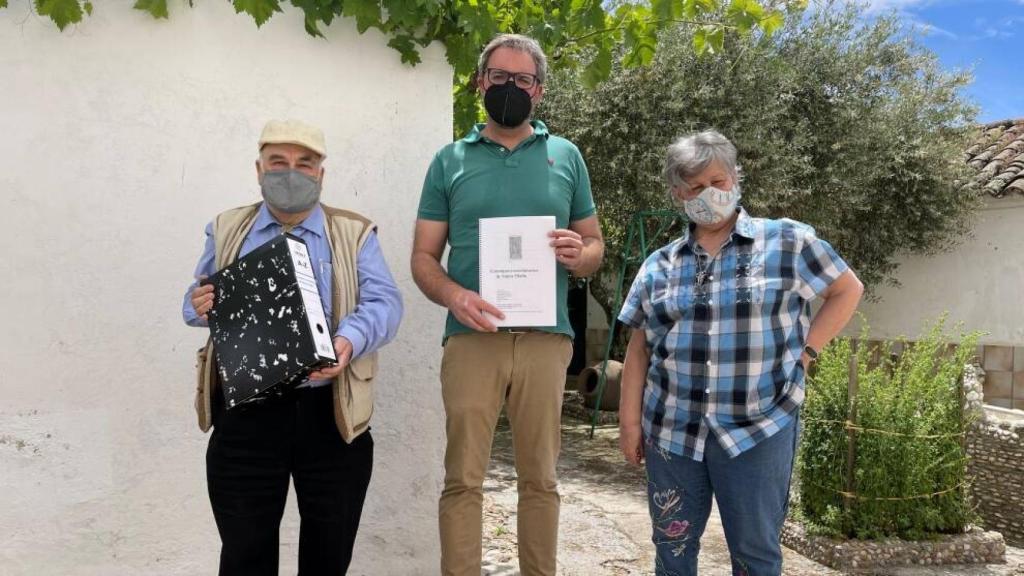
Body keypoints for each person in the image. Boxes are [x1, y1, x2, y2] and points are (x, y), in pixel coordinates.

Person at [617, 130, 863, 576]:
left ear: (735, 177)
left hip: (760, 426)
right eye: (693, 187)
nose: (708, 195)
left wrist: (806, 354)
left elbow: (847, 290)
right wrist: (629, 423)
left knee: (756, 555)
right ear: (677, 194)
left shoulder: (788, 242)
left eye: (716, 181)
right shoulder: (659, 264)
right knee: (672, 553)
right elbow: (639, 348)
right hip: (672, 431)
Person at [410, 34, 605, 576]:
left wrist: (579, 253)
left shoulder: (565, 156)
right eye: (499, 76)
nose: (510, 88)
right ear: (480, 81)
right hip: (472, 340)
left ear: (538, 91)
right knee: (462, 480)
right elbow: (424, 257)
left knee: (541, 479)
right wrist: (454, 295)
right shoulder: (449, 160)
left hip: (546, 341)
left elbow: (594, 247)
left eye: (523, 80)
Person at [182, 119, 403, 576]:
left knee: (328, 553)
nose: (291, 172)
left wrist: (347, 341)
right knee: (245, 553)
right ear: (258, 169)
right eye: (278, 162)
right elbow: (196, 301)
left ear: (321, 174)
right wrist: (199, 302)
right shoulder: (226, 228)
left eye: (305, 163)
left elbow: (386, 304)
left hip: (331, 415)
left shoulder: (354, 232)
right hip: (246, 416)